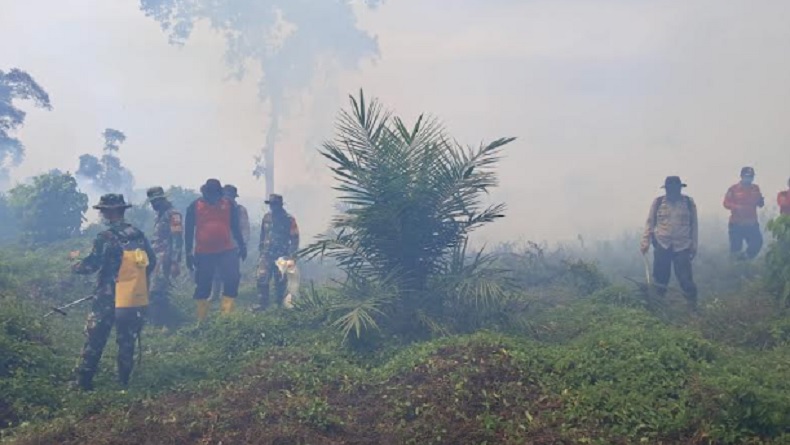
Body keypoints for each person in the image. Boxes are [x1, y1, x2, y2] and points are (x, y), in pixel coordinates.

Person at [71, 194, 156, 390]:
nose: (101, 214)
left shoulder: (105, 238)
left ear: (111, 212)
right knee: (126, 339)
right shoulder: (138, 235)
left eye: (103, 210)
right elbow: (151, 261)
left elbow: (92, 265)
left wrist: (74, 266)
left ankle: (83, 382)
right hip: (132, 297)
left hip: (108, 297)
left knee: (95, 336)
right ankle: (123, 383)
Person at [184, 179, 247, 322]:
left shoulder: (228, 205)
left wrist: (242, 246)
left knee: (232, 279)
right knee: (203, 285)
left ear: (220, 194)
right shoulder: (194, 206)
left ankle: (226, 317)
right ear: (205, 193)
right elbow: (188, 232)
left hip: (227, 250)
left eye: (215, 195)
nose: (213, 198)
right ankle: (202, 319)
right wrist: (188, 253)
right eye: (210, 195)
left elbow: (235, 228)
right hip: (204, 252)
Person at [640, 176, 699, 311]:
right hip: (662, 244)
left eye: (675, 189)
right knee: (660, 280)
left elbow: (694, 225)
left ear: (679, 189)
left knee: (686, 280)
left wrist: (694, 245)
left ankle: (692, 309)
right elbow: (650, 223)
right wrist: (645, 242)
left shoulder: (689, 203)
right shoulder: (658, 202)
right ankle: (658, 308)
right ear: (666, 190)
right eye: (669, 190)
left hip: (682, 246)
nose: (672, 192)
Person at [145, 186, 184, 327]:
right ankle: (156, 321)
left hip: (165, 257)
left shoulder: (173, 214)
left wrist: (175, 262)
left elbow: (178, 239)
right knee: (152, 289)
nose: (154, 205)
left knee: (158, 290)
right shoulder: (159, 215)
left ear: (163, 199)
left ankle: (163, 323)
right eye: (152, 202)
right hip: (154, 256)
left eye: (156, 201)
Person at [254, 194, 299, 311]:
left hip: (282, 255)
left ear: (280, 205)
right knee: (261, 277)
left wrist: (292, 255)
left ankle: (280, 304)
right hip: (266, 253)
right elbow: (263, 234)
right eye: (271, 204)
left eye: (275, 204)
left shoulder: (289, 219)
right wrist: (261, 248)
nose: (272, 207)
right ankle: (262, 304)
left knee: (280, 280)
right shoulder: (267, 217)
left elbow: (295, 237)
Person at [211, 184, 250, 300]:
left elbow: (245, 228)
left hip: (233, 245)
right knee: (215, 270)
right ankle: (214, 294)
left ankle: (229, 295)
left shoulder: (240, 210)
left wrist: (242, 245)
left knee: (231, 272)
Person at [723, 166, 765, 259]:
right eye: (747, 176)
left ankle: (744, 260)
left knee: (757, 243)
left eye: (751, 176)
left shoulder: (755, 188)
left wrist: (761, 202)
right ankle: (734, 269)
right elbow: (726, 203)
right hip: (736, 224)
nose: (749, 178)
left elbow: (759, 203)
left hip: (752, 224)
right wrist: (736, 207)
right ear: (741, 176)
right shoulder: (733, 189)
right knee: (736, 249)